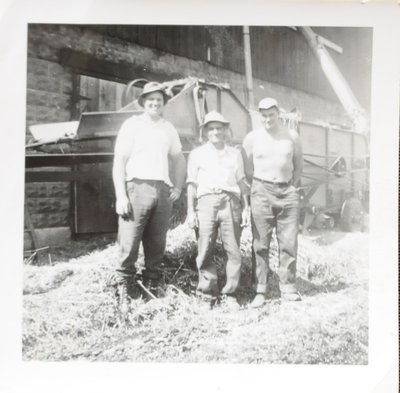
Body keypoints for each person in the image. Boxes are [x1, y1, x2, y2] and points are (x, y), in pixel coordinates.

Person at [112, 81, 186, 310]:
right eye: (150, 99)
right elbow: (119, 162)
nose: (155, 103)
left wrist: (178, 187)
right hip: (137, 187)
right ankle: (124, 286)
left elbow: (179, 158)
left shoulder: (168, 128)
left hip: (162, 190)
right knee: (130, 240)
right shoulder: (131, 125)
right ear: (143, 102)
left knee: (157, 243)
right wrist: (121, 196)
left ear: (164, 104)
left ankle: (151, 285)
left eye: (159, 100)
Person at [242, 97, 303, 308]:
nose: (268, 119)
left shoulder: (292, 136)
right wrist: (259, 187)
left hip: (287, 191)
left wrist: (291, 187)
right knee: (260, 243)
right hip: (261, 190)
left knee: (288, 241)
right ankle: (260, 289)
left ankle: (288, 287)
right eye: (264, 115)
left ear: (278, 113)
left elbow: (298, 166)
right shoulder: (251, 138)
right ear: (260, 116)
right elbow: (247, 169)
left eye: (271, 114)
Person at [186, 111, 250, 310]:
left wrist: (246, 207)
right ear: (205, 131)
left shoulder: (235, 154)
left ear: (225, 130)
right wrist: (190, 211)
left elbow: (241, 182)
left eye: (219, 128)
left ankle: (230, 293)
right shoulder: (197, 154)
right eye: (211, 128)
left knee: (233, 251)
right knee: (205, 249)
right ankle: (207, 294)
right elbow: (192, 184)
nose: (215, 132)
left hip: (230, 201)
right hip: (206, 202)